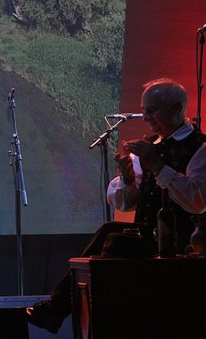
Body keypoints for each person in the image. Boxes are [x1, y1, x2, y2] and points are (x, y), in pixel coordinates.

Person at [26, 78, 206, 333]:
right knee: (110, 235)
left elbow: (197, 203)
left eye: (152, 110)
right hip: (145, 241)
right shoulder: (148, 147)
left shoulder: (200, 148)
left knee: (110, 233)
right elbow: (127, 202)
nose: (146, 118)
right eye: (144, 110)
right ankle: (71, 314)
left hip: (183, 244)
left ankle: (56, 309)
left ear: (176, 109)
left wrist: (158, 166)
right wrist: (127, 179)